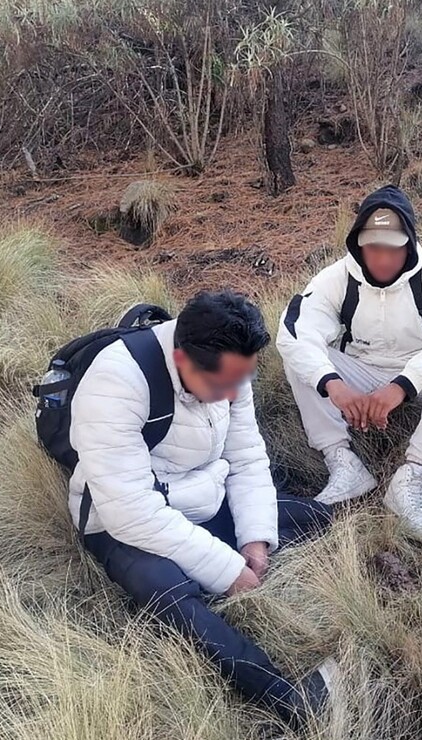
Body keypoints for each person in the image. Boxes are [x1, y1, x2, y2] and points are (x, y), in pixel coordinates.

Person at [68, 290, 335, 728]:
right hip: (121, 524)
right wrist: (228, 570)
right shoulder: (114, 382)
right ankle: (290, 701)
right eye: (222, 386)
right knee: (172, 595)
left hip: (203, 496)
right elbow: (130, 511)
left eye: (241, 381)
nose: (234, 394)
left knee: (314, 516)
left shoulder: (230, 367)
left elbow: (247, 457)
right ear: (181, 359)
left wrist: (255, 538)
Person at [276, 185, 422, 542]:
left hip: (416, 379)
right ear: (358, 244)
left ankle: (412, 476)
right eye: (373, 247)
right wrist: (333, 385)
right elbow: (295, 331)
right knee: (302, 360)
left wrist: (400, 387)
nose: (382, 258)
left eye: (393, 247)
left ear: (409, 243)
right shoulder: (336, 279)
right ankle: (342, 462)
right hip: (359, 374)